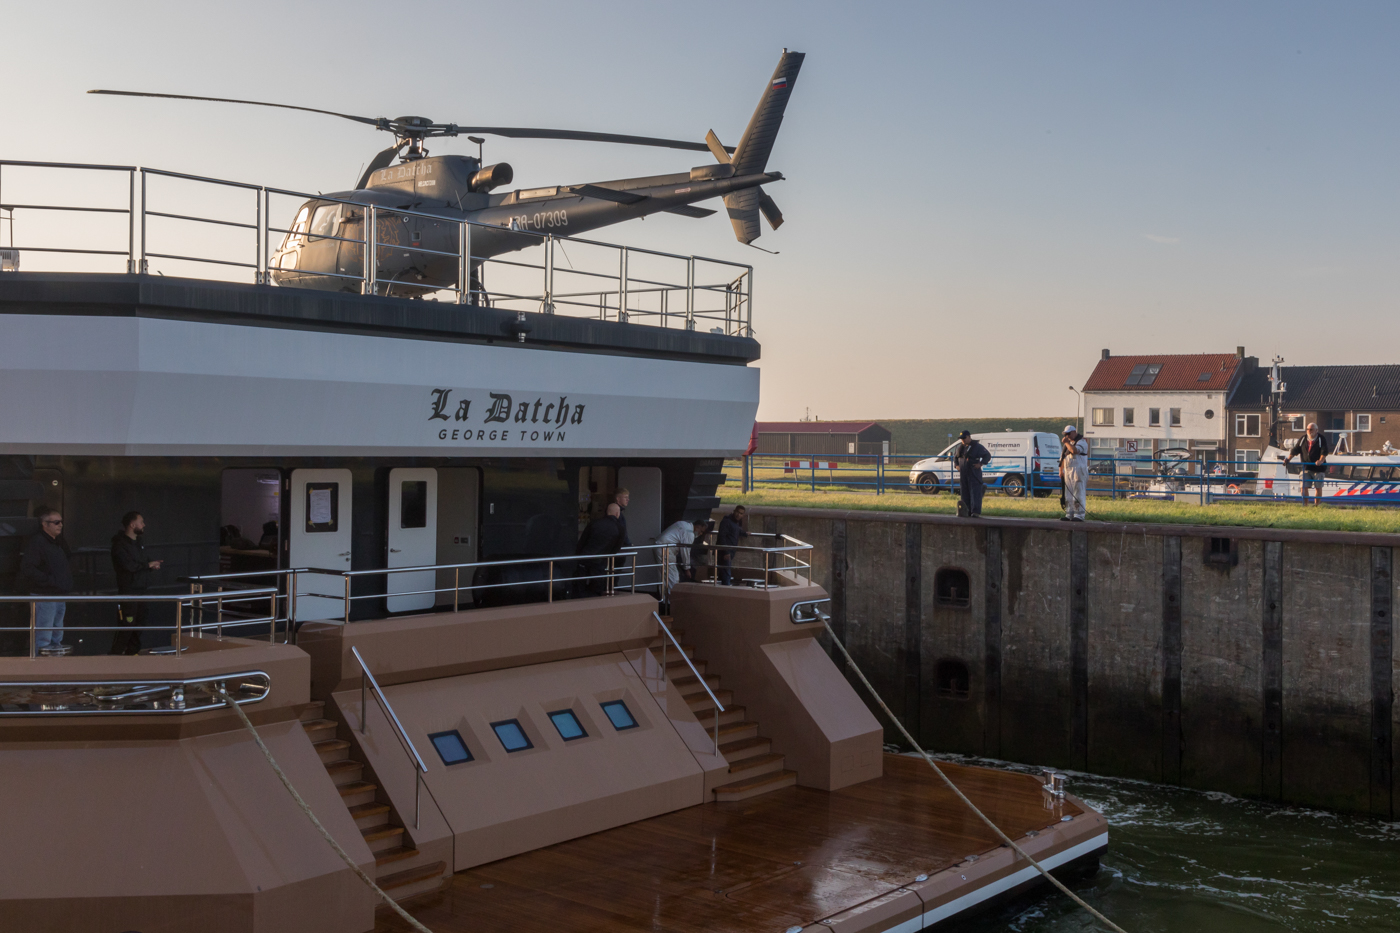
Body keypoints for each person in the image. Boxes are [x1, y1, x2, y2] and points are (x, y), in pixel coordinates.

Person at [19, 507, 73, 653]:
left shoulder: (58, 542)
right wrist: (49, 581)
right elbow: (28, 568)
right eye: (56, 522)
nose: (60, 525)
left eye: (61, 522)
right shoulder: (37, 542)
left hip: (59, 593)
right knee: (44, 636)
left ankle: (54, 668)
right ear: (45, 524)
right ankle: (39, 669)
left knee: (56, 635)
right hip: (45, 594)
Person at [110, 511, 163, 656]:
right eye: (141, 522)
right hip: (129, 591)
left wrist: (151, 565)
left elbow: (141, 562)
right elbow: (128, 566)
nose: (144, 524)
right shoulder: (119, 545)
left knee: (139, 625)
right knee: (127, 626)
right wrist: (148, 565)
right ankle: (114, 657)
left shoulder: (139, 543)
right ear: (132, 525)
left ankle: (132, 653)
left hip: (142, 590)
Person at [575, 503, 625, 596]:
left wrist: (578, 555)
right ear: (617, 514)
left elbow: (582, 541)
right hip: (600, 561)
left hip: (584, 558)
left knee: (580, 586)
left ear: (606, 512)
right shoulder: (619, 527)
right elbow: (616, 548)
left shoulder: (594, 523)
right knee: (596, 587)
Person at [655, 519, 708, 593]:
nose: (701, 534)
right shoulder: (689, 533)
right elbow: (685, 551)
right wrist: (687, 568)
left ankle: (664, 599)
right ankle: (671, 600)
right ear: (698, 527)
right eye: (701, 531)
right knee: (673, 577)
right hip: (666, 550)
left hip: (661, 547)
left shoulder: (683, 524)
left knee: (664, 576)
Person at [1285, 422, 1330, 505]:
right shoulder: (1303, 439)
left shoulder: (1321, 439)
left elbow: (1324, 451)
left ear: (1316, 430)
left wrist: (1320, 461)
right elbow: (1295, 450)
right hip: (1305, 467)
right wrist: (1288, 459)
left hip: (1318, 468)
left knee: (1318, 487)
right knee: (1303, 487)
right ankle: (1305, 505)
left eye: (1311, 429)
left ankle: (1316, 506)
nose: (1309, 431)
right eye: (1308, 429)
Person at [952, 431, 991, 518]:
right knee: (964, 492)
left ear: (969, 437)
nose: (963, 440)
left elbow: (987, 455)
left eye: (964, 438)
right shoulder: (960, 448)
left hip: (973, 472)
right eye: (961, 439)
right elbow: (955, 458)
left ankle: (975, 512)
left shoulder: (977, 447)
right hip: (963, 473)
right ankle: (966, 511)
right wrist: (957, 465)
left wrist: (980, 464)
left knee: (975, 492)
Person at [1060, 426, 1089, 522]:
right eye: (1065, 434)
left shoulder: (1082, 442)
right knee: (1068, 494)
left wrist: (1067, 443)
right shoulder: (1067, 444)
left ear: (1074, 432)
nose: (1067, 436)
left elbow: (1074, 451)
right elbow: (1063, 458)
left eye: (1068, 434)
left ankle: (1079, 515)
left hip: (1079, 471)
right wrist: (1061, 471)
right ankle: (1069, 514)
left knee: (1078, 493)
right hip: (1068, 472)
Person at [717, 505, 748, 585]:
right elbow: (722, 537)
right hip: (725, 552)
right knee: (726, 573)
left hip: (729, 552)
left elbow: (736, 531)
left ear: (743, 515)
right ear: (734, 511)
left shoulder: (734, 522)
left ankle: (724, 590)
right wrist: (726, 552)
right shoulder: (727, 521)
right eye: (738, 512)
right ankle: (726, 591)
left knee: (725, 572)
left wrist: (745, 533)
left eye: (741, 513)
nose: (738, 515)